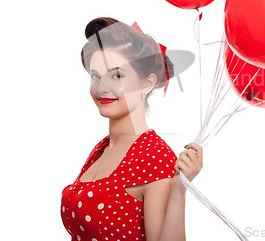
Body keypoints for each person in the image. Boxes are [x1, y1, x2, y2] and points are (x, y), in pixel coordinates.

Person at [61, 17, 203, 241]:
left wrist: (178, 190)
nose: (102, 87)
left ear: (146, 83)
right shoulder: (102, 149)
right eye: (96, 76)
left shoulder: (154, 158)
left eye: (117, 75)